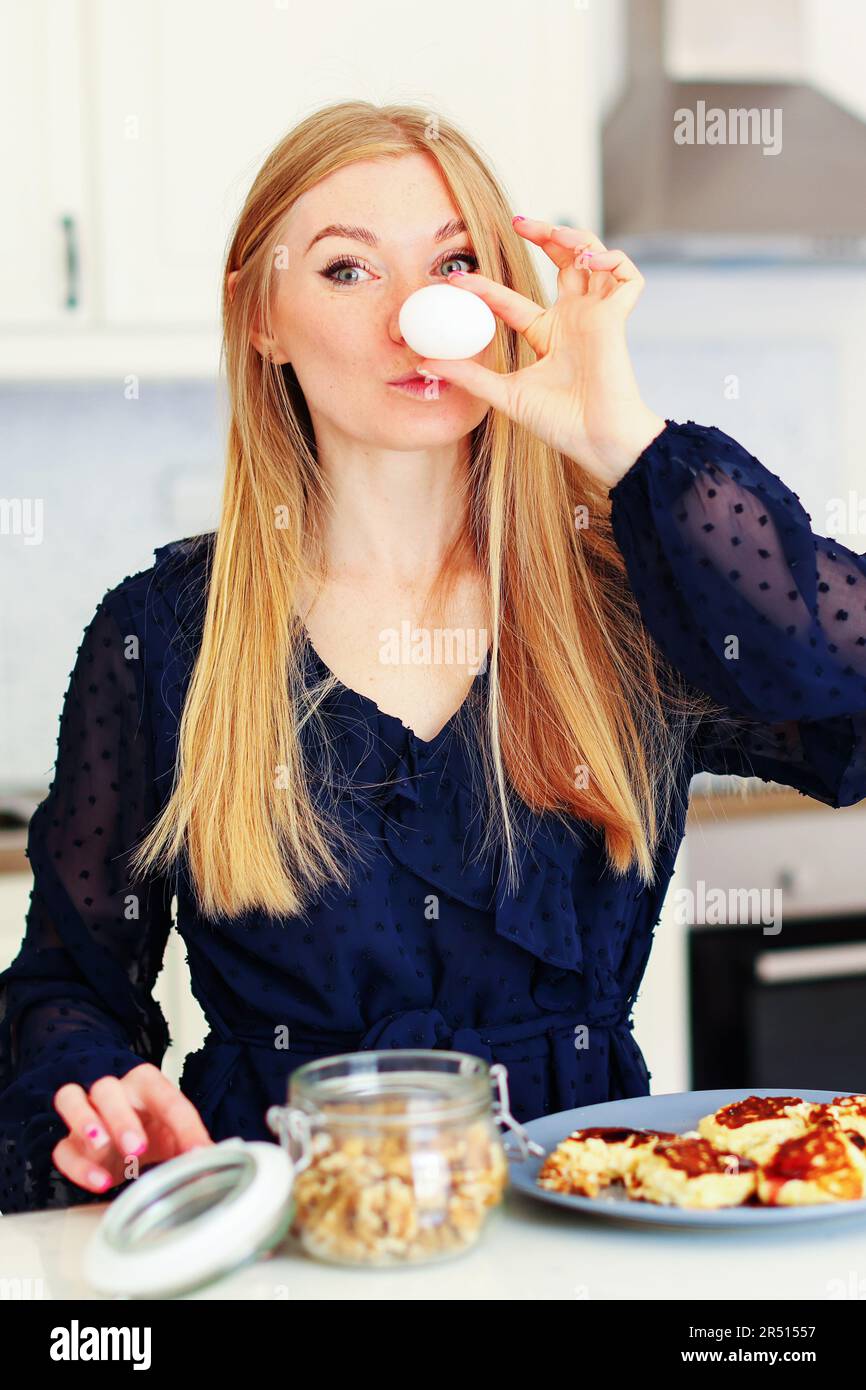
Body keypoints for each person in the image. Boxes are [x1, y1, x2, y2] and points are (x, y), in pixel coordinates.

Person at [2, 101, 865, 1214]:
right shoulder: (162, 640)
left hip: (582, 1236)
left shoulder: (630, 602)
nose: (419, 316)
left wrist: (626, 446)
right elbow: (69, 990)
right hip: (291, 1245)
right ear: (259, 315)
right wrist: (99, 1098)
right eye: (348, 270)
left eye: (453, 263)